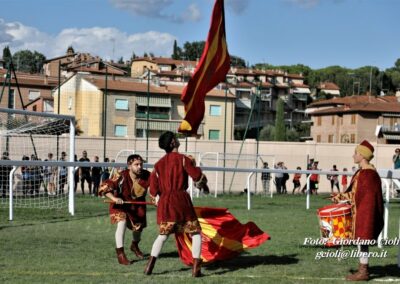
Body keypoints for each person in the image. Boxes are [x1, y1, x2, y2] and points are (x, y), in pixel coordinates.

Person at [144, 131, 208, 277]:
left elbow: (153, 190)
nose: (178, 140)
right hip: (181, 200)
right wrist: (198, 173)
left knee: (163, 235)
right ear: (173, 143)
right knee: (195, 233)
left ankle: (149, 266)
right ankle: (196, 269)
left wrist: (158, 198)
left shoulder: (158, 165)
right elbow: (197, 176)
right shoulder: (183, 159)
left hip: (166, 202)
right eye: (176, 138)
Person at [330, 140, 384, 281]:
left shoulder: (367, 174)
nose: (353, 155)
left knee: (363, 241)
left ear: (363, 156)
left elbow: (357, 195)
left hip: (365, 213)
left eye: (356, 153)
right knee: (362, 242)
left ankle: (363, 272)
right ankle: (363, 269)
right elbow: (357, 194)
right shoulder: (366, 172)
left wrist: (338, 197)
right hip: (363, 211)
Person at [99, 154, 150, 265]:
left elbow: (157, 188)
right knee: (121, 223)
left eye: (141, 164)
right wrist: (114, 198)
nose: (140, 167)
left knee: (138, 229)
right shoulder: (120, 176)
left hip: (137, 206)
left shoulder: (147, 175)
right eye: (136, 164)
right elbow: (104, 188)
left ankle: (134, 245)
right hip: (120, 205)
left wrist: (156, 198)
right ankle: (121, 255)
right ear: (129, 166)